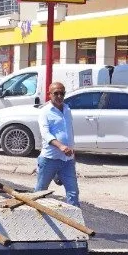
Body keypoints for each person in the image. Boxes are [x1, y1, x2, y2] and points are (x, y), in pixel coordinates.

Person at [36, 81, 80, 210]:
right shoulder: (45, 112)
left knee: (73, 192)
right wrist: (60, 146)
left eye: (62, 93)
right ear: (50, 94)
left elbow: (69, 131)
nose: (59, 96)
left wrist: (72, 151)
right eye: (56, 93)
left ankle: (74, 223)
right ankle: (36, 215)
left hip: (67, 160)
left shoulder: (67, 109)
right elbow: (45, 133)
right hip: (49, 159)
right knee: (40, 191)